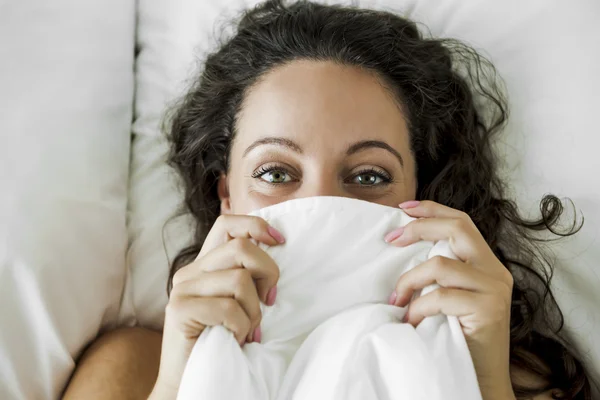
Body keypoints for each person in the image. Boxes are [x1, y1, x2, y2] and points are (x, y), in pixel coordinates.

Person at [63, 1, 595, 399]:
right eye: (276, 172)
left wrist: (480, 380)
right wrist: (179, 378)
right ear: (227, 195)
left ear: (421, 195)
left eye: (367, 177)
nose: (319, 202)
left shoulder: (514, 377)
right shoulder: (135, 371)